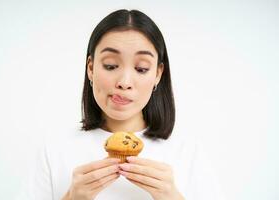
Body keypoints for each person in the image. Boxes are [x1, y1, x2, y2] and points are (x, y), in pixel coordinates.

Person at [16, 9, 225, 200]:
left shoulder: (188, 153)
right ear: (91, 68)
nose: (124, 82)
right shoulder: (54, 151)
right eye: (110, 65)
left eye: (141, 69)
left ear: (158, 74)